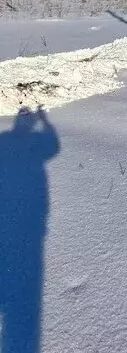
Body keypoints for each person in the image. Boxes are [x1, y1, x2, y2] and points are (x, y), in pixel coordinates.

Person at [0, 107, 60, 353]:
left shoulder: (4, 141)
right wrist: (45, 123)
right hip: (27, 224)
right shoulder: (34, 144)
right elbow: (54, 147)